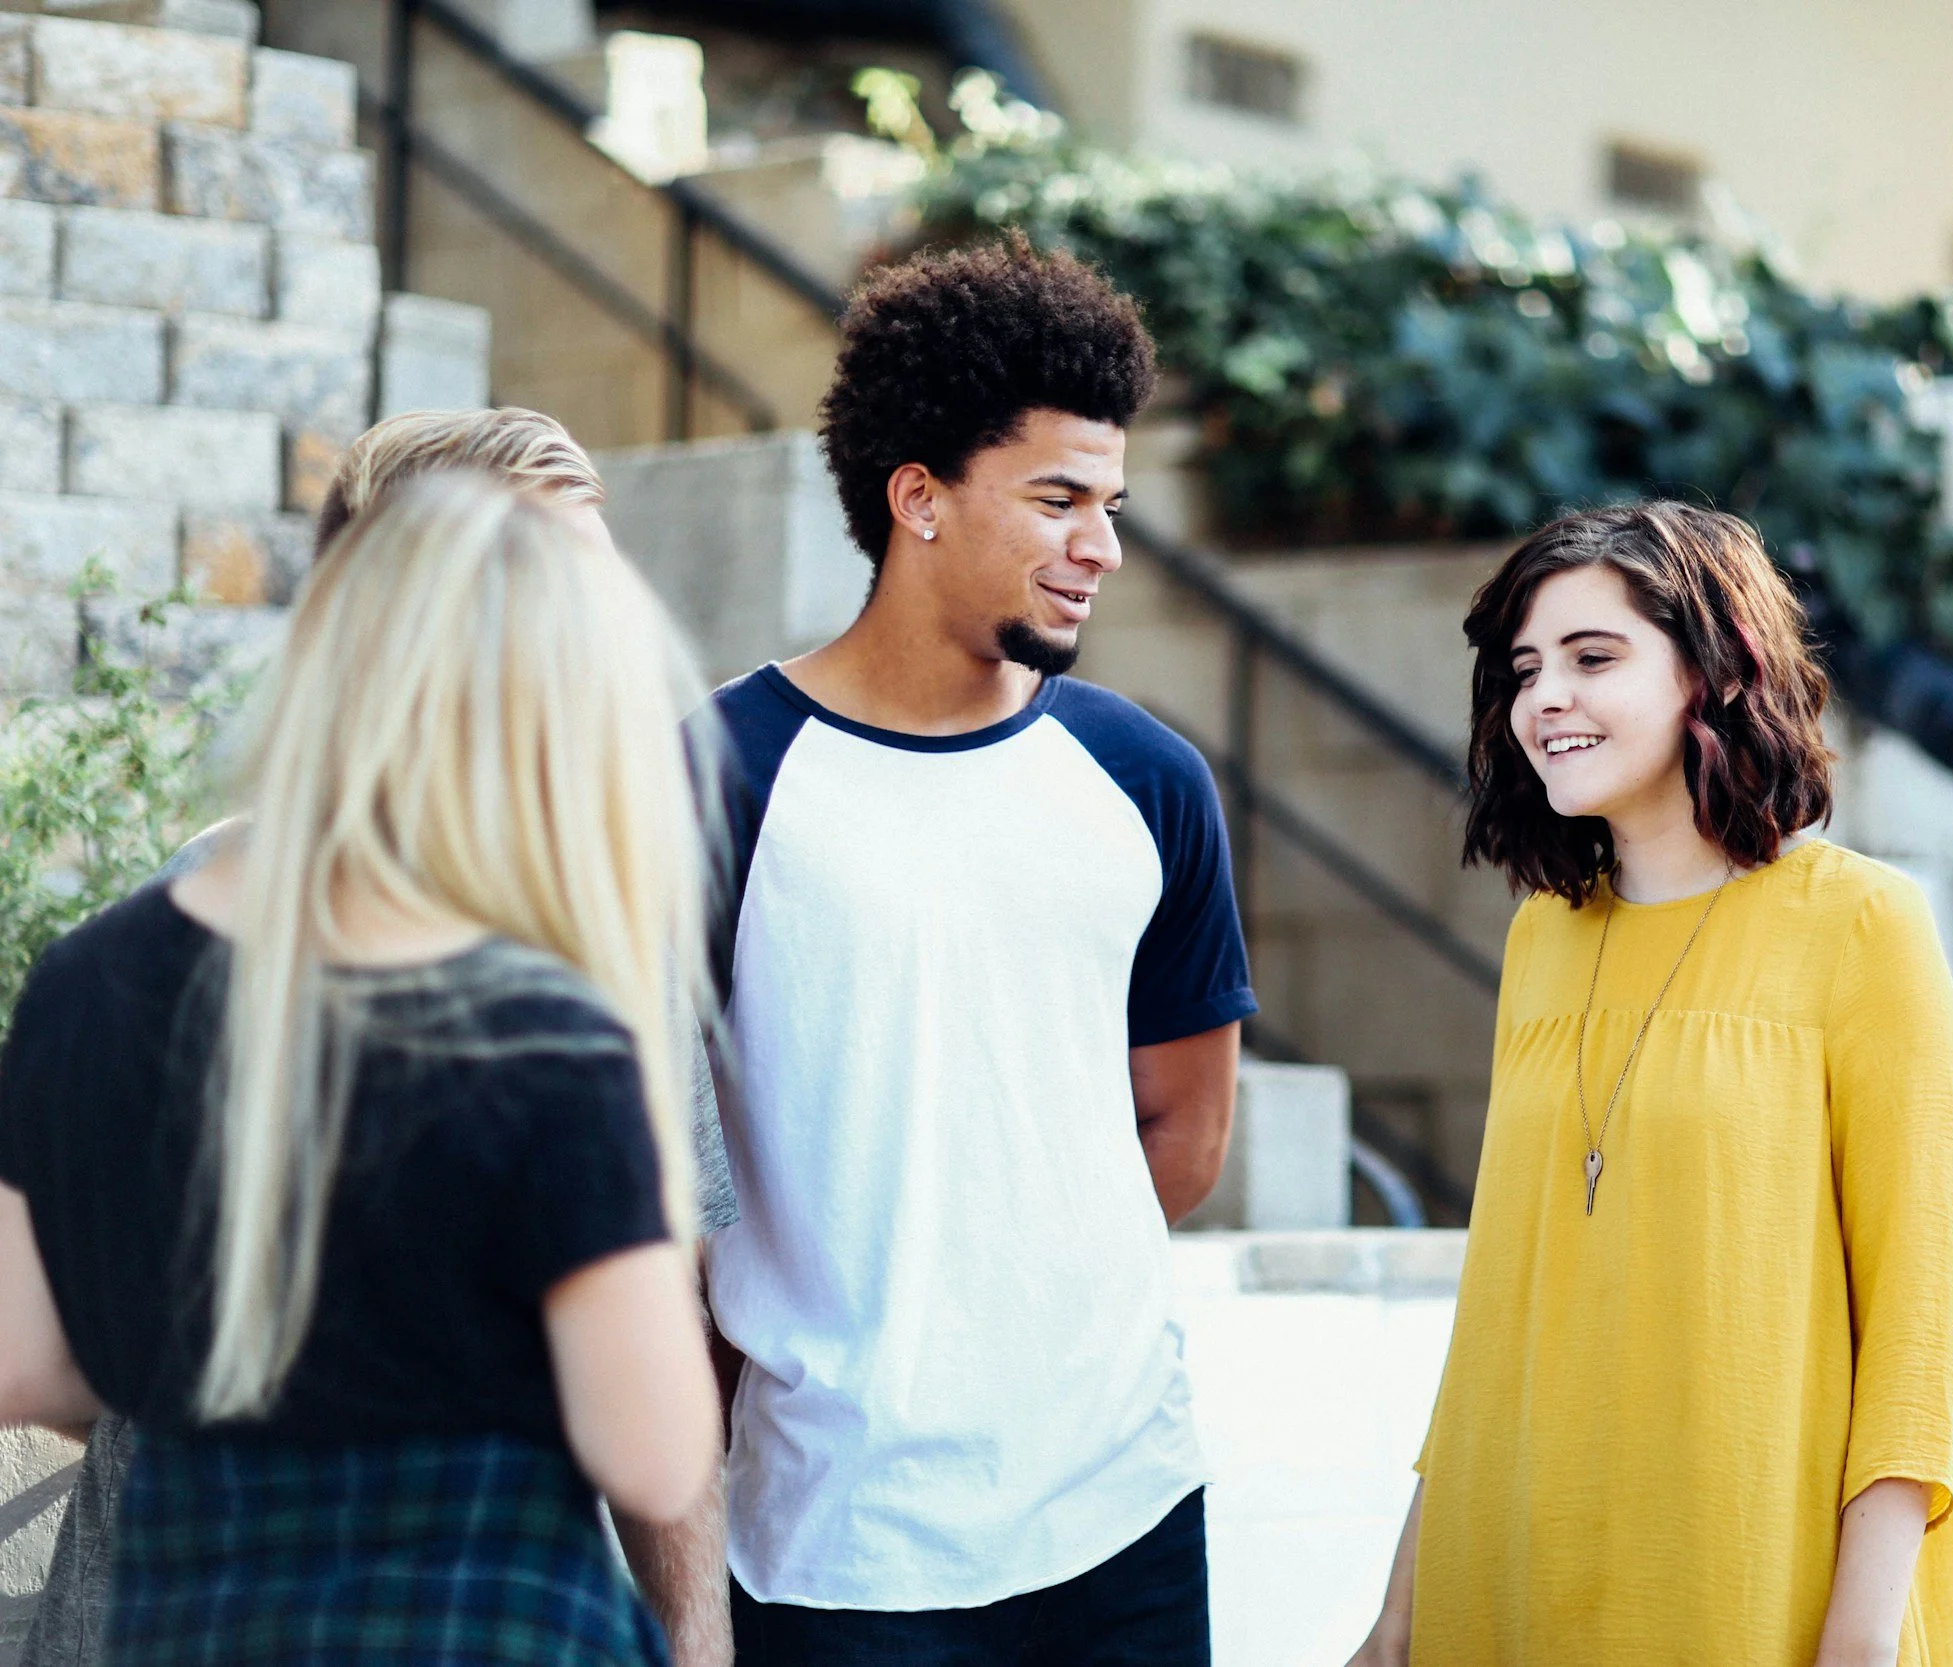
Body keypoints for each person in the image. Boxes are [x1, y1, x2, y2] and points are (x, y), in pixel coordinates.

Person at [17, 405, 740, 1667]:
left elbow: (34, 1366)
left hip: (175, 1619)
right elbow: (658, 1435)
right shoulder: (579, 976)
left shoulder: (113, 962)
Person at [659, 235, 1256, 1664]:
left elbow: (1183, 1129)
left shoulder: (1147, 777)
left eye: (1109, 503)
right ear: (916, 497)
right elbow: (650, 1167)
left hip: (1121, 1502)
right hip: (834, 1533)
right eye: (1058, 499)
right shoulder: (720, 773)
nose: (1100, 546)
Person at [1349, 502, 1953, 1666]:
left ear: (1717, 675)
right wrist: (1398, 1618)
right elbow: (1498, 1307)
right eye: (1525, 668)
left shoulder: (1863, 928)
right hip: (1511, 1573)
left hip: (1744, 1583)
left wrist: (1861, 1637)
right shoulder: (1540, 937)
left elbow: (1912, 1335)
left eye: (1594, 657)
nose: (1545, 698)